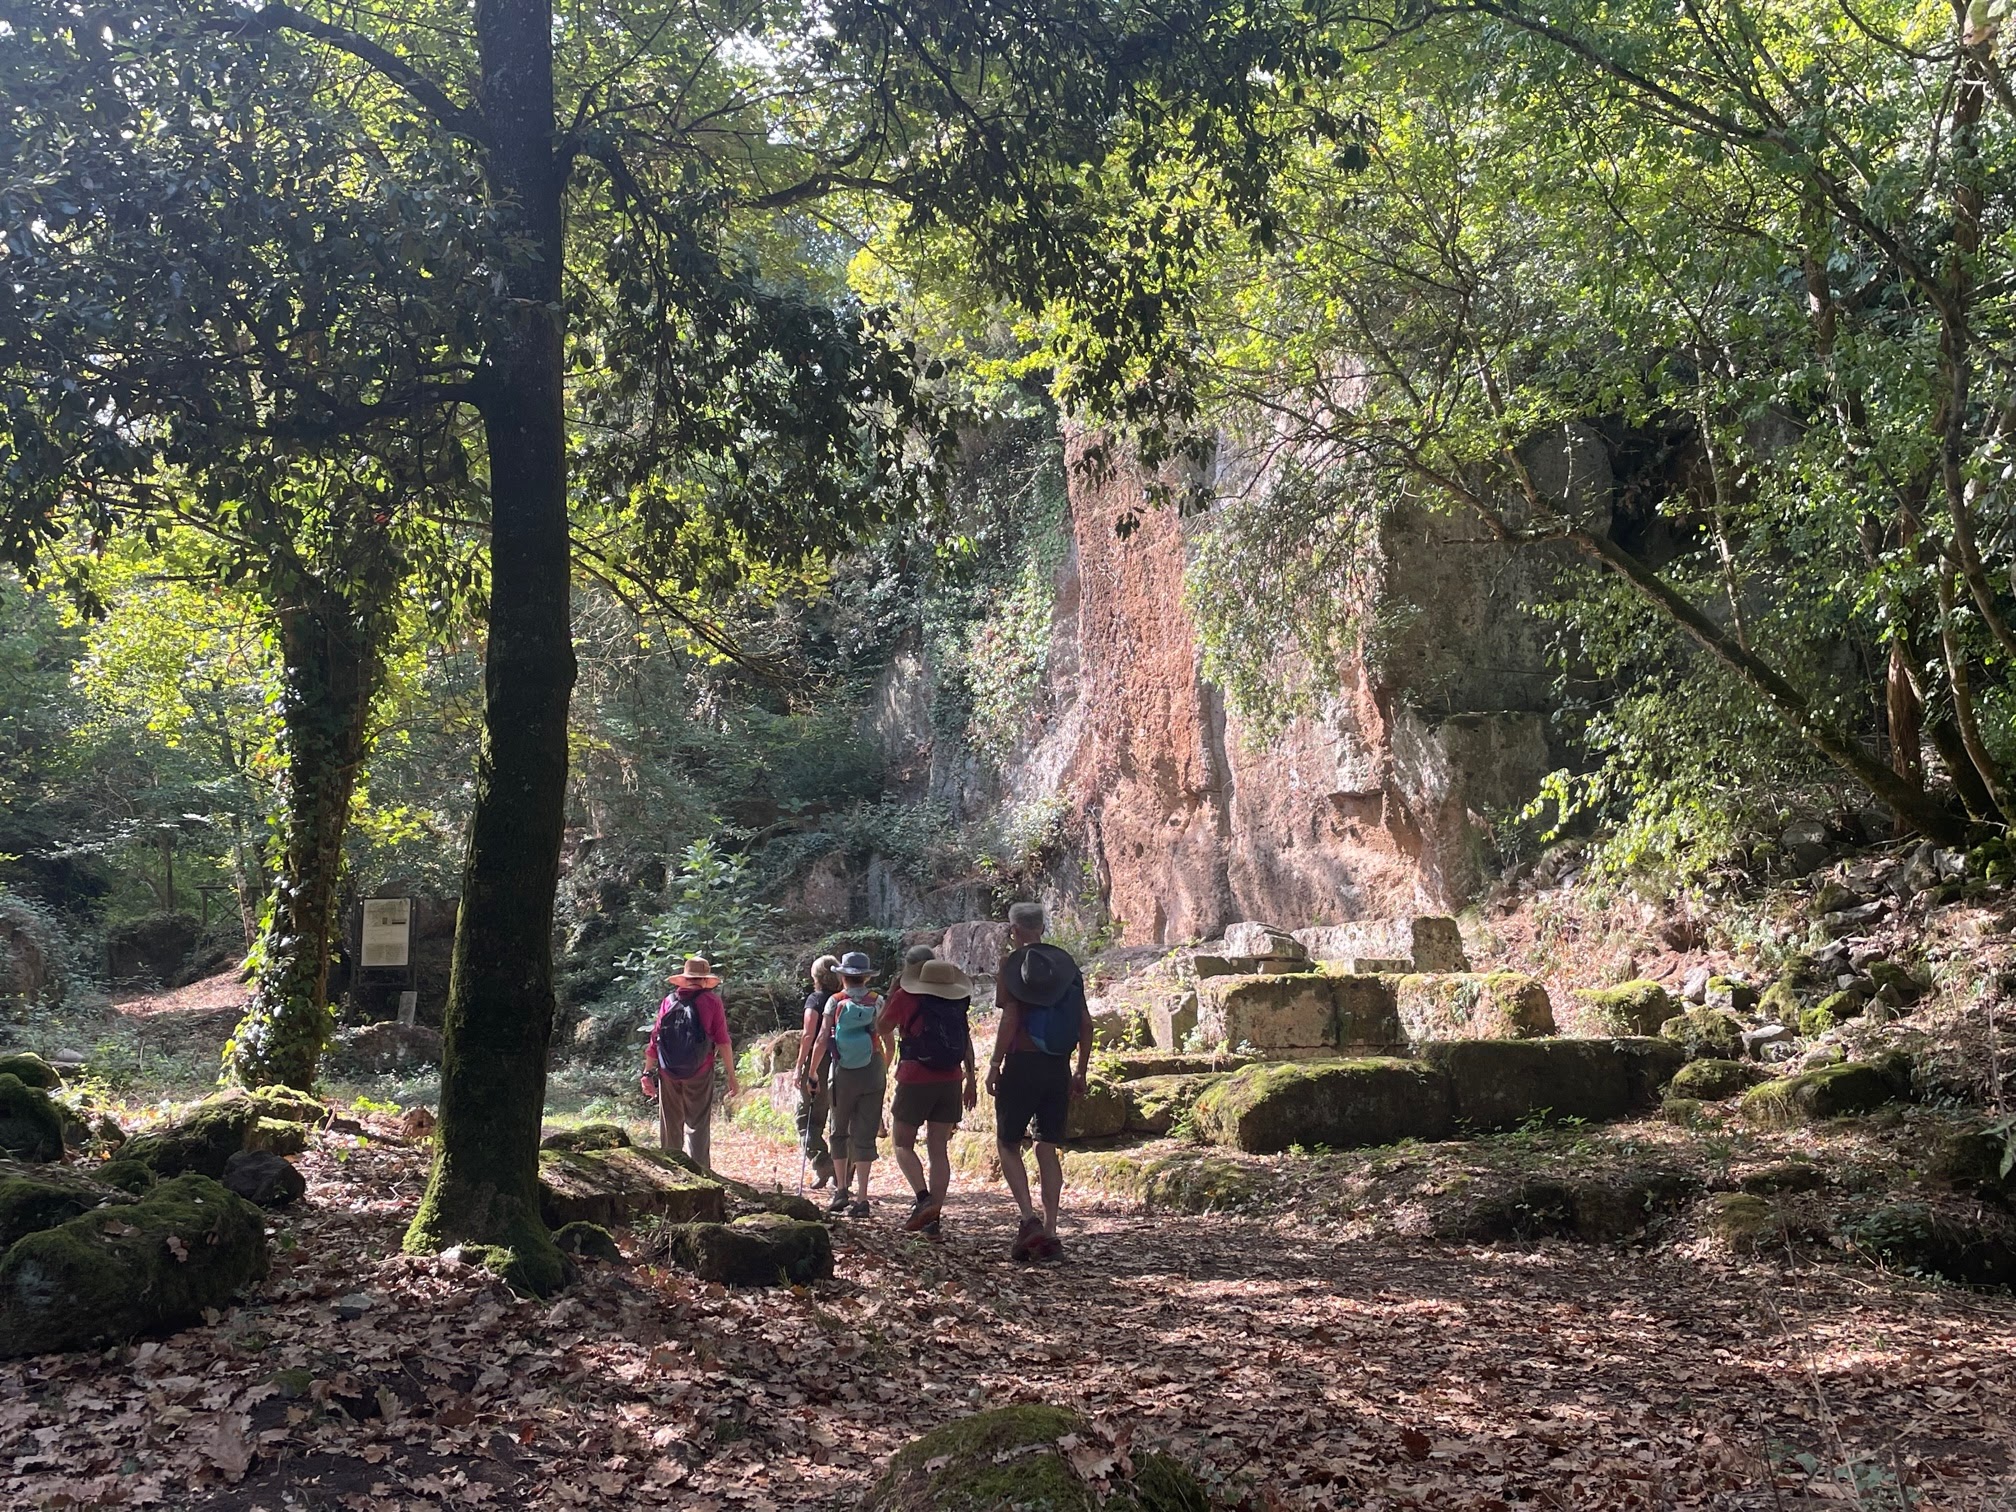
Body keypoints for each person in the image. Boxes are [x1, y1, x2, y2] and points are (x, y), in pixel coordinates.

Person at [987, 902, 1091, 1261]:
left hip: (1021, 1064)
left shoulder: (1012, 965)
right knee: (1046, 1147)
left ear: (1014, 929)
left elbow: (1010, 1017)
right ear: (1042, 927)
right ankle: (1050, 1230)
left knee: (1008, 1142)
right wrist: (1080, 1070)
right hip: (1057, 1065)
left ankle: (1028, 1219)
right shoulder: (1066, 965)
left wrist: (995, 1062)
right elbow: (1085, 1023)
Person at [880, 951, 977, 1238]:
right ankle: (934, 1218)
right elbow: (965, 1040)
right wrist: (971, 1079)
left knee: (901, 1143)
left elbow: (881, 1026)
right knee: (939, 1150)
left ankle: (924, 1200)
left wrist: (895, 996)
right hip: (951, 1078)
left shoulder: (905, 997)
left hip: (914, 1078)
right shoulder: (957, 1001)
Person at [808, 950, 891, 1217]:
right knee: (865, 1134)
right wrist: (882, 1067)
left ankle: (841, 1189)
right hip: (872, 1070)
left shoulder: (835, 1001)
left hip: (842, 1071)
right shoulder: (878, 1002)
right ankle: (863, 1198)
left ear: (843, 976)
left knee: (839, 1130)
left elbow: (822, 1038)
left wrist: (812, 1072)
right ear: (866, 977)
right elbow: (889, 1042)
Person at [641, 955, 738, 1171]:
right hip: (700, 1071)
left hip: (668, 1071)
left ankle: (669, 1170)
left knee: (670, 1125)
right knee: (697, 1125)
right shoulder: (711, 1001)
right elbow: (723, 1040)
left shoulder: (669, 1001)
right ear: (704, 980)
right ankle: (700, 1174)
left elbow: (655, 1039)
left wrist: (647, 1073)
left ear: (685, 979)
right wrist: (732, 1076)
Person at [793, 955, 841, 1189]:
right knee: (839, 1118)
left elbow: (808, 1034)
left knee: (807, 1119)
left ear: (817, 977)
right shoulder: (844, 998)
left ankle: (823, 1163)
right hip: (844, 1061)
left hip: (819, 1062)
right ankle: (841, 1171)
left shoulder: (815, 999)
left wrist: (801, 1066)